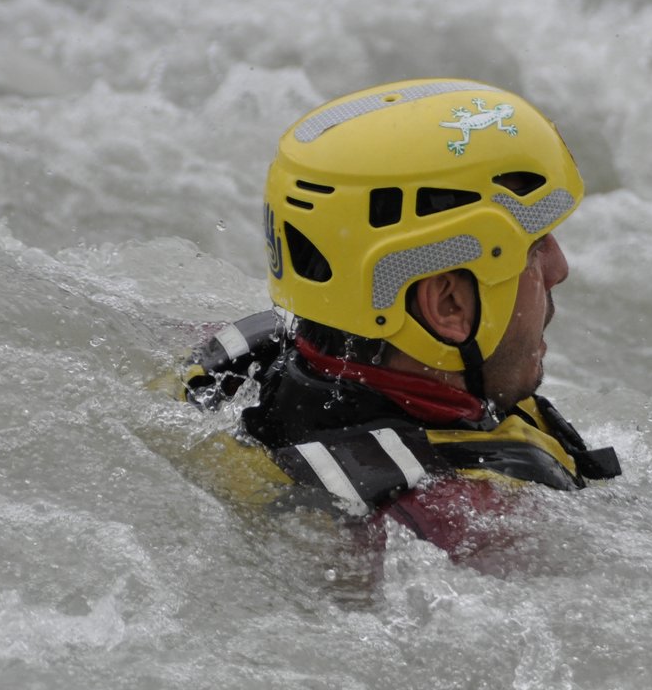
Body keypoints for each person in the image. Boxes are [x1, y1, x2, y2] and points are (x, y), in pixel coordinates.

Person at [177, 78, 620, 558]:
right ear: (448, 304)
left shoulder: (237, 359)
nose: (559, 269)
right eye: (535, 247)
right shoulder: (461, 525)